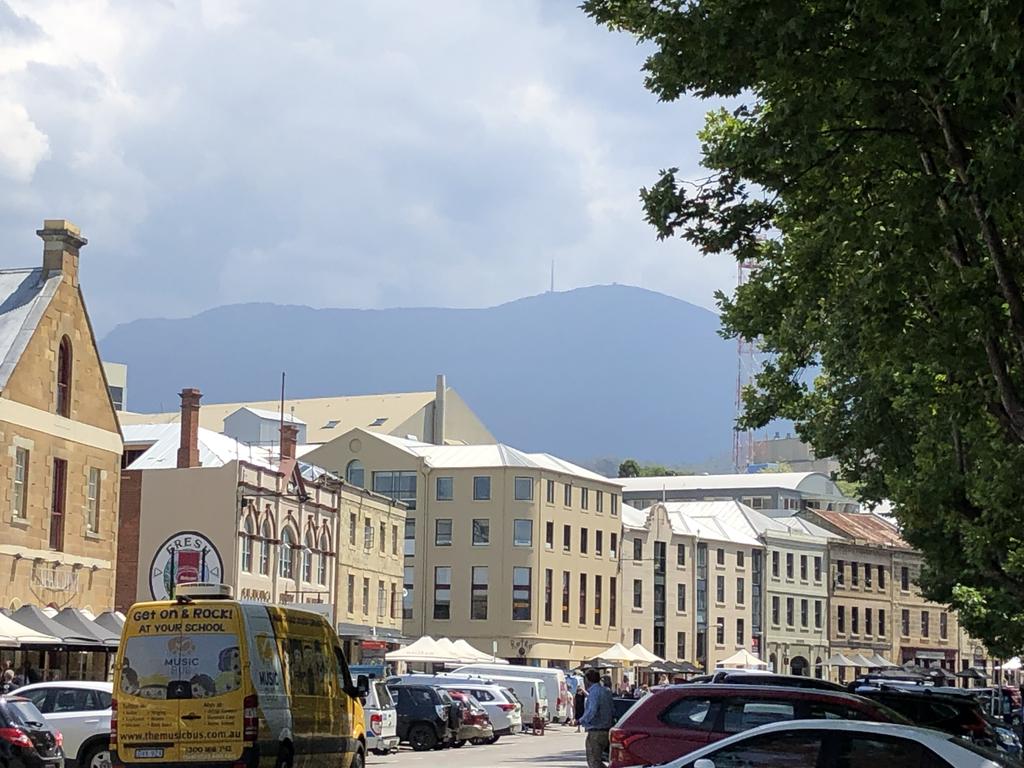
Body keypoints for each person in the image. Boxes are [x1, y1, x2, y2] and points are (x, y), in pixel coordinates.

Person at [579, 669, 615, 768]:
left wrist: (581, 720)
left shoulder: (594, 692)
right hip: (607, 728)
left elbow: (592, 710)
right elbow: (612, 709)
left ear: (587, 680)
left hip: (596, 730)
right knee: (600, 759)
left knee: (593, 760)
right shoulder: (606, 691)